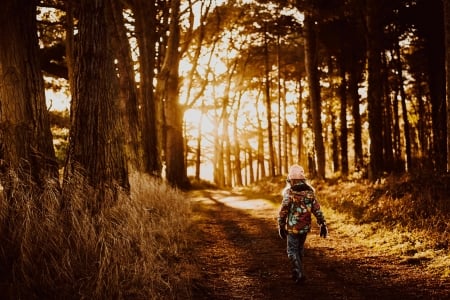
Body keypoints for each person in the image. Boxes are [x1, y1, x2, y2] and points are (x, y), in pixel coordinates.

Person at [277, 164, 328, 283]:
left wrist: (281, 225)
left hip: (293, 228)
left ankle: (298, 273)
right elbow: (317, 210)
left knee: (291, 251)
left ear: (291, 180)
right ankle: (297, 271)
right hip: (304, 228)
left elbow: (283, 210)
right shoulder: (310, 193)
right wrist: (322, 224)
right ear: (303, 179)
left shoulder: (289, 193)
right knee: (299, 250)